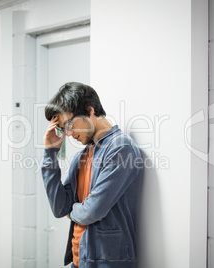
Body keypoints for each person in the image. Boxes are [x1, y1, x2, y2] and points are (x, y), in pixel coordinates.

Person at [41, 82, 143, 268]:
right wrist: (50, 152)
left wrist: (71, 212)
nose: (69, 134)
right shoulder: (82, 155)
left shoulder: (120, 148)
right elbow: (59, 208)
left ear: (90, 110)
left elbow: (93, 211)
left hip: (107, 261)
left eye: (70, 124)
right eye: (64, 129)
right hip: (79, 260)